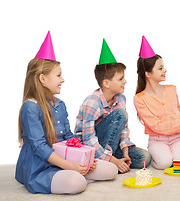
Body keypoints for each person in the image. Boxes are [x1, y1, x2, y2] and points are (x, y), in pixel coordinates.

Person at [16, 32, 117, 194]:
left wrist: (85, 157)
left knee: (111, 170)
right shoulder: (31, 107)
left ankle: (74, 174)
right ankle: (71, 176)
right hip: (41, 166)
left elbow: (69, 137)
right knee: (76, 183)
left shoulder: (60, 105)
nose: (63, 80)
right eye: (58, 75)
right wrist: (69, 166)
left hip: (66, 160)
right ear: (42, 79)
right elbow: (40, 147)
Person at [74, 39, 151, 173]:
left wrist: (125, 152)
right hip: (91, 148)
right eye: (121, 79)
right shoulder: (92, 103)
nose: (125, 81)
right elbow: (88, 140)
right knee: (120, 114)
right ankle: (109, 161)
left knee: (144, 158)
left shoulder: (120, 98)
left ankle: (112, 160)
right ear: (106, 83)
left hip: (112, 147)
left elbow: (123, 129)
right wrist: (114, 160)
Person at [133, 36, 180, 169]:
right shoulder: (139, 99)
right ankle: (161, 156)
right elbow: (156, 126)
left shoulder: (171, 89)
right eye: (160, 68)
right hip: (158, 141)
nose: (165, 70)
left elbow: (176, 113)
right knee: (164, 163)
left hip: (178, 137)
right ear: (148, 74)